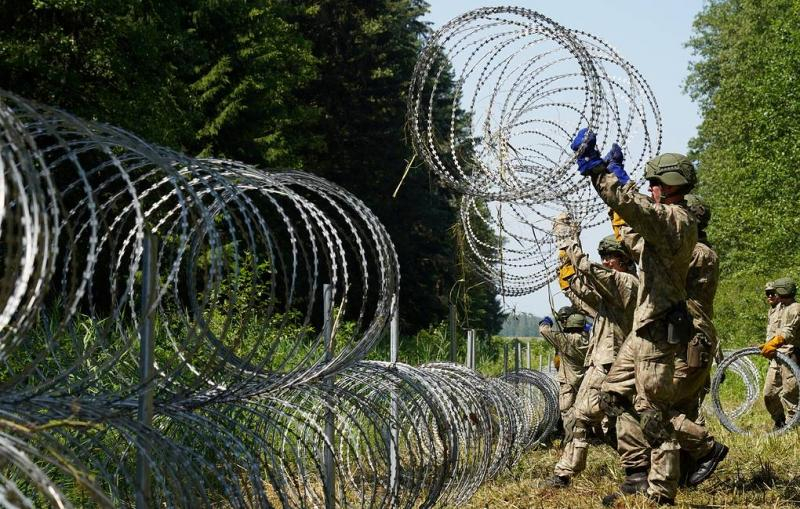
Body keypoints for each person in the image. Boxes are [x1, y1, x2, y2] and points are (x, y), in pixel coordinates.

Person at [572, 129, 698, 505]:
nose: (651, 189)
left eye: (653, 183)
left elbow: (637, 209)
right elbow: (633, 229)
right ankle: (638, 471)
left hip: (658, 331)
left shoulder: (675, 220)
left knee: (652, 410)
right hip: (644, 329)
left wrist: (601, 174)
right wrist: (619, 179)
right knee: (612, 394)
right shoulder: (666, 223)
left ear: (668, 185)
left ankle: (660, 492)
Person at [547, 229, 647, 491]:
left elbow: (590, 272)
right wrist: (566, 270)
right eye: (603, 256)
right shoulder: (613, 294)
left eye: (610, 257)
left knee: (581, 416)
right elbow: (584, 293)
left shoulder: (626, 283)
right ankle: (642, 467)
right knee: (616, 421)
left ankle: (565, 473)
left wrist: (570, 243)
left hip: (610, 364)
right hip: (607, 361)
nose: (605, 262)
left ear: (625, 260)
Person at [539, 309, 590, 472]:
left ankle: (568, 446)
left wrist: (547, 320)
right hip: (584, 384)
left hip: (568, 384)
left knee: (568, 418)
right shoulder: (590, 340)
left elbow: (544, 330)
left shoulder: (564, 339)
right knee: (583, 417)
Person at [761, 277, 800, 429]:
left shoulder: (795, 308)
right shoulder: (779, 308)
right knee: (769, 394)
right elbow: (773, 331)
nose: (771, 295)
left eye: (774, 292)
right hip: (776, 358)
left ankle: (793, 426)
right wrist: (767, 345)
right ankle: (780, 422)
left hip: (791, 357)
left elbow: (788, 332)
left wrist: (774, 343)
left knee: (791, 394)